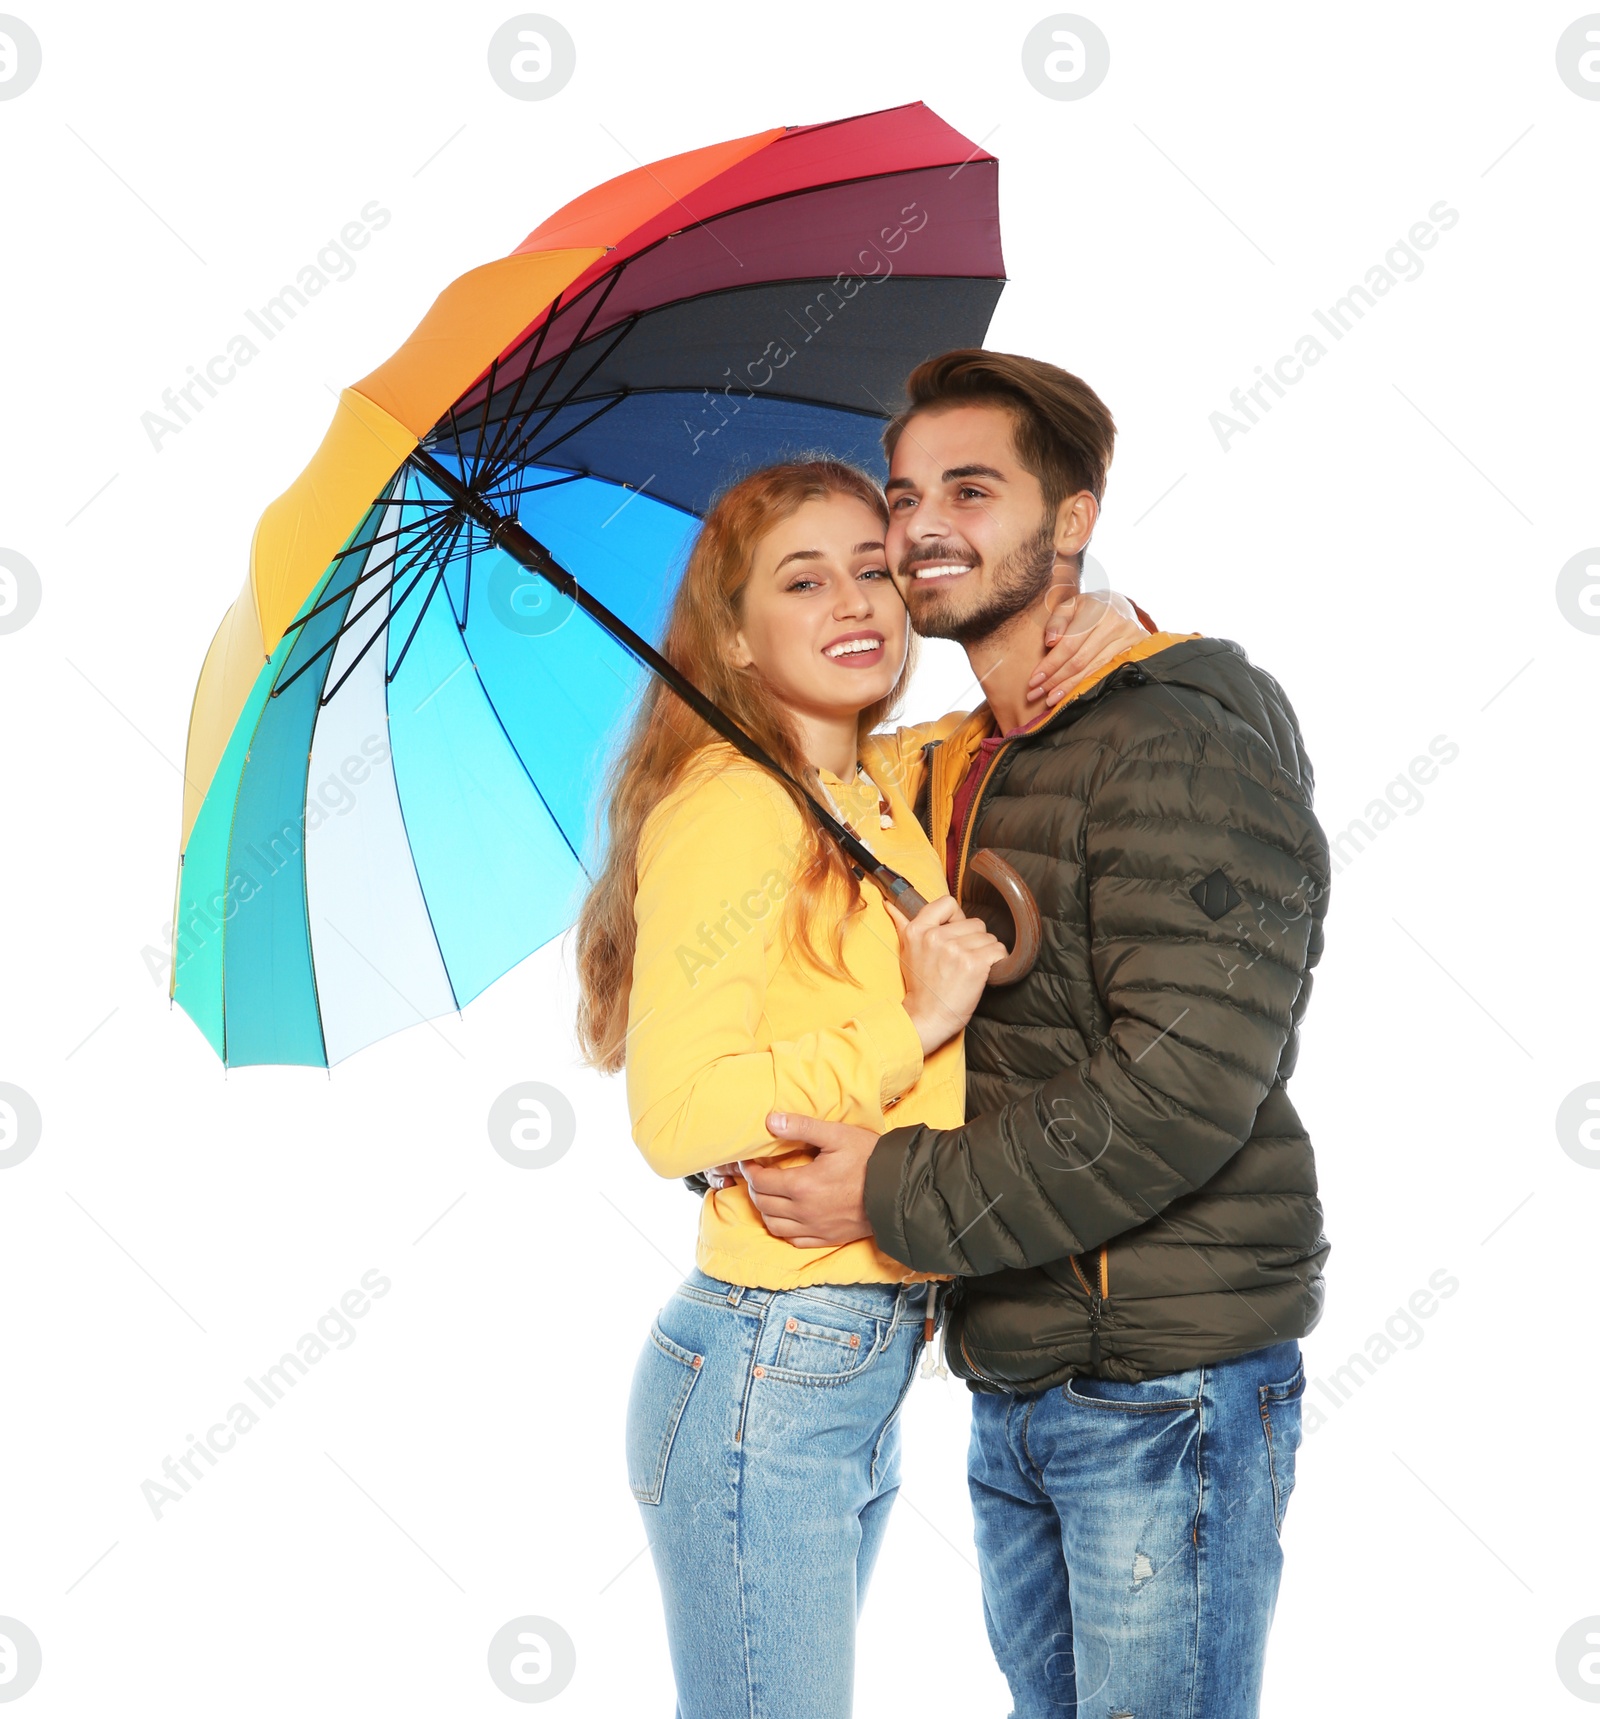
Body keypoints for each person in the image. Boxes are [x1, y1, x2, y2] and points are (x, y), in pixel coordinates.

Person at [741, 353, 1333, 1719]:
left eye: (971, 486)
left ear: (1073, 517)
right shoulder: (962, 756)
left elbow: (1184, 1089)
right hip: (1020, 1363)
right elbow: (798, 758)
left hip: (1162, 1383)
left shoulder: (1174, 744)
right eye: (902, 495)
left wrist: (886, 1190)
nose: (920, 525)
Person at [572, 458, 1131, 1719]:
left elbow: (1005, 714)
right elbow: (673, 1114)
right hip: (768, 1366)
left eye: (873, 569)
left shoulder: (862, 790)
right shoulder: (733, 809)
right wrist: (913, 1017)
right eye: (802, 579)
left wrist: (1115, 620)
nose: (855, 601)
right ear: (733, 633)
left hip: (851, 1357)